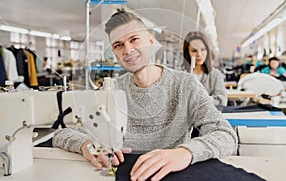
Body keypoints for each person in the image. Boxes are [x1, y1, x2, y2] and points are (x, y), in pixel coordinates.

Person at [52, 9, 237, 181]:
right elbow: (61, 132)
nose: (128, 50)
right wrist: (85, 144)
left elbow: (226, 135)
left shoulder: (186, 85)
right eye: (118, 45)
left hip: (172, 176)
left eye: (134, 40)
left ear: (150, 41)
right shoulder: (111, 90)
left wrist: (185, 152)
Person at [183, 31, 227, 107]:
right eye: (194, 51)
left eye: (203, 49)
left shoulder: (216, 75)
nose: (199, 54)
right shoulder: (181, 75)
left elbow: (222, 100)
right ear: (187, 52)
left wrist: (200, 100)